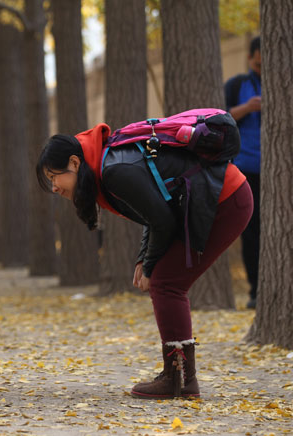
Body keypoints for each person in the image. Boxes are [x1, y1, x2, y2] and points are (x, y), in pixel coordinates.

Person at [36, 123, 253, 399]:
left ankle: (179, 379)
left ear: (75, 163)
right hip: (215, 198)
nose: (54, 187)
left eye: (54, 177)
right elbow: (154, 209)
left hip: (224, 199)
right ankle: (180, 378)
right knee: (165, 281)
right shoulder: (108, 165)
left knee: (166, 284)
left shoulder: (113, 170)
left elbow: (161, 218)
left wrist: (150, 266)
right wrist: (144, 258)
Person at [225, 36, 261, 309]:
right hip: (246, 171)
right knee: (251, 232)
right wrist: (247, 108)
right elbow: (220, 116)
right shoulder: (238, 85)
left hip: (279, 173)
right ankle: (255, 292)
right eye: (258, 63)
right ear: (250, 59)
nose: (262, 67)